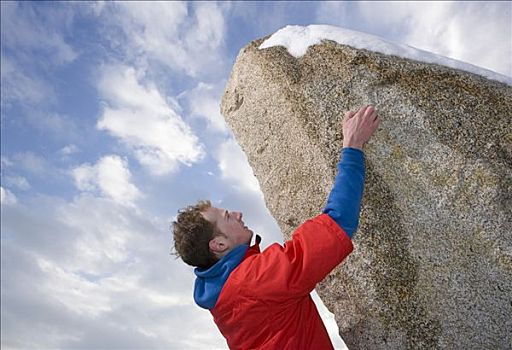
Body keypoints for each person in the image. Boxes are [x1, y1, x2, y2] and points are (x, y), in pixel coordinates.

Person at [172, 105, 380, 349]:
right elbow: (338, 223)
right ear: (219, 244)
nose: (238, 214)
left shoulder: (220, 297)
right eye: (227, 216)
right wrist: (353, 148)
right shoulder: (254, 281)